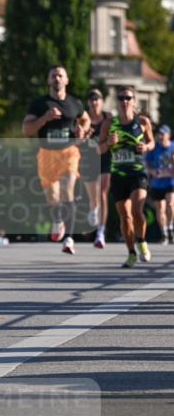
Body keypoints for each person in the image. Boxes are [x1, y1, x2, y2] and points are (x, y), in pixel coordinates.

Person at [22, 66, 90, 255]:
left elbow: (86, 120)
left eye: (60, 75)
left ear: (66, 80)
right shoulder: (39, 104)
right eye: (53, 76)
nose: (57, 78)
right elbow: (26, 130)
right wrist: (45, 118)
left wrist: (82, 131)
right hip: (47, 154)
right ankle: (58, 219)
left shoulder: (74, 103)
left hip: (69, 152)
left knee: (67, 190)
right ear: (48, 80)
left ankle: (69, 238)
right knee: (53, 197)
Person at [98, 85, 154, 267]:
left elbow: (152, 142)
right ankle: (131, 253)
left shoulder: (142, 121)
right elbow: (98, 149)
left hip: (138, 172)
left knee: (137, 210)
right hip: (118, 174)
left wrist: (146, 147)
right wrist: (108, 142)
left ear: (134, 101)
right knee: (126, 217)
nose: (125, 101)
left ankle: (142, 241)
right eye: (121, 98)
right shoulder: (109, 124)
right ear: (117, 102)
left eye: (128, 98)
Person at [80, 89, 112, 248]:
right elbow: (77, 140)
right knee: (93, 198)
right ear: (88, 102)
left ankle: (101, 232)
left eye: (97, 98)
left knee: (103, 193)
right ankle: (94, 208)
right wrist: (84, 137)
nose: (94, 102)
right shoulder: (83, 118)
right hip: (88, 159)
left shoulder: (109, 118)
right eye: (91, 99)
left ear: (102, 101)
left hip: (105, 158)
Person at [146, 124, 174, 244]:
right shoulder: (154, 148)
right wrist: (153, 172)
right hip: (157, 183)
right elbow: (147, 164)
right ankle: (164, 233)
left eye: (163, 134)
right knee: (160, 208)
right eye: (159, 134)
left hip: (171, 181)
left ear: (169, 135)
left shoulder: (172, 147)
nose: (161, 136)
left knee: (170, 203)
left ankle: (170, 227)